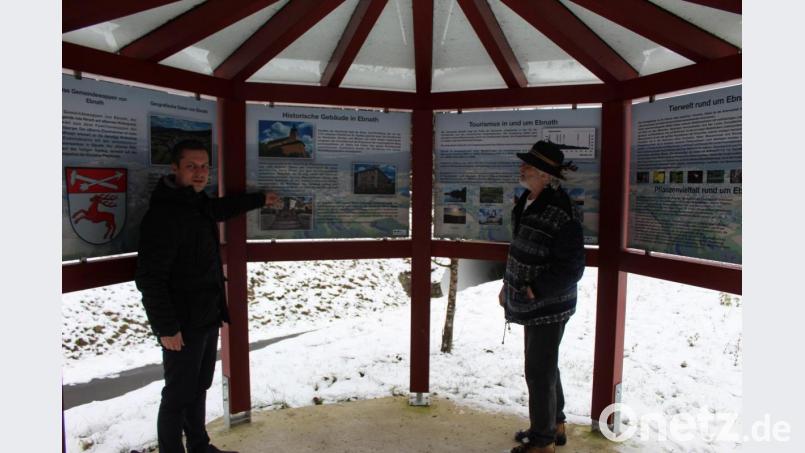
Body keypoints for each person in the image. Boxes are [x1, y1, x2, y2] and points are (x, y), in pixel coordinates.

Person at [135, 139, 279, 453]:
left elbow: (221, 208)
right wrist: (166, 328)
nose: (200, 172)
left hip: (206, 315)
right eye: (191, 166)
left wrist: (259, 199)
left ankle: (199, 446)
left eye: (204, 166)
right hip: (181, 324)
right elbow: (149, 278)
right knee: (177, 396)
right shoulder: (164, 216)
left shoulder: (196, 204)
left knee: (198, 387)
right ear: (175, 169)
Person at [499, 140, 586, 453]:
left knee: (538, 369)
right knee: (545, 366)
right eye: (525, 164)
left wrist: (536, 289)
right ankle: (555, 425)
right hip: (531, 302)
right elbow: (520, 249)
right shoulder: (527, 200)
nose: (522, 169)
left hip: (548, 305)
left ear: (547, 176)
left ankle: (542, 442)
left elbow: (572, 268)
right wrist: (507, 287)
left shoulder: (562, 214)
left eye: (529, 166)